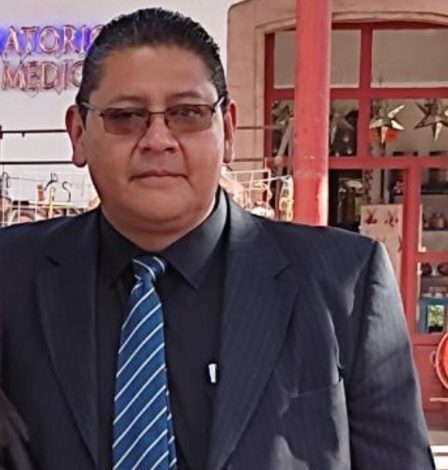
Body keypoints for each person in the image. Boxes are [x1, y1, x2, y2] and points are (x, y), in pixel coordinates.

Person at [0, 7, 436, 470]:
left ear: (227, 131)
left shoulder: (345, 283)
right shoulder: (11, 277)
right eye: (125, 116)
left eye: (187, 113)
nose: (157, 139)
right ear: (78, 133)